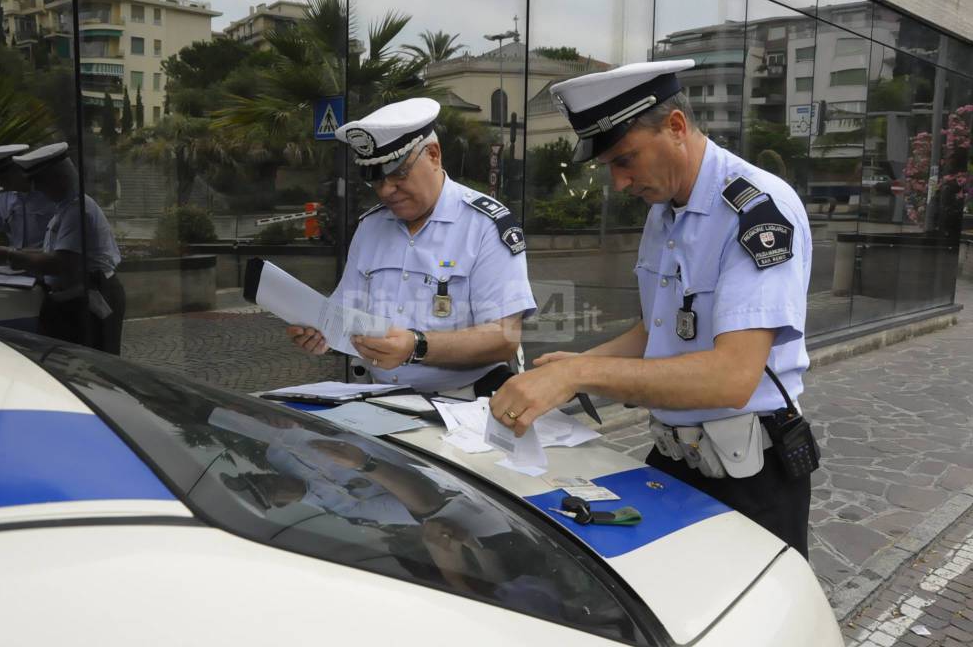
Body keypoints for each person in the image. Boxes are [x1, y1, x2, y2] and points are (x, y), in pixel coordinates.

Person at [488, 60, 817, 558]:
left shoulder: (756, 211)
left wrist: (583, 375)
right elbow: (658, 331)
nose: (620, 183)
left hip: (751, 477)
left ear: (677, 127)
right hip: (676, 459)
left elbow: (733, 376)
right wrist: (572, 367)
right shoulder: (665, 212)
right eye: (610, 168)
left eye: (625, 159)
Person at [287, 97, 537, 397]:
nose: (387, 190)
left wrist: (415, 346)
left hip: (463, 403)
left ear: (433, 155)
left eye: (398, 174)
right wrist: (321, 333)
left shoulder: (484, 226)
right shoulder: (370, 227)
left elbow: (504, 337)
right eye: (376, 181)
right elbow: (345, 313)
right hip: (378, 396)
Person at [0, 143, 126, 354]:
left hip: (92, 296)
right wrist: (13, 253)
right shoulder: (66, 208)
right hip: (76, 297)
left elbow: (60, 263)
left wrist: (9, 255)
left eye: (40, 182)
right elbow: (51, 253)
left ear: (59, 178)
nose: (38, 189)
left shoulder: (78, 212)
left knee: (93, 368)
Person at [0, 144, 56, 249]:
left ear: (21, 169)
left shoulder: (49, 193)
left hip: (49, 261)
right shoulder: (4, 196)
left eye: (5, 178)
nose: (1, 183)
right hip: (15, 262)